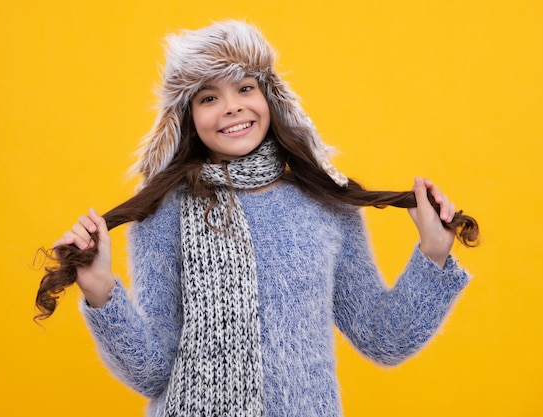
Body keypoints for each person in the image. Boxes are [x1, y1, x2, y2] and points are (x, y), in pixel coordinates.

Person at [36, 20, 478, 417]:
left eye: (245, 87)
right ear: (188, 118)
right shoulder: (165, 212)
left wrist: (434, 255)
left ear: (271, 98)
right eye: (209, 96)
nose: (231, 107)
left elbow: (383, 339)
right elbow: (152, 373)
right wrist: (102, 294)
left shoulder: (325, 203)